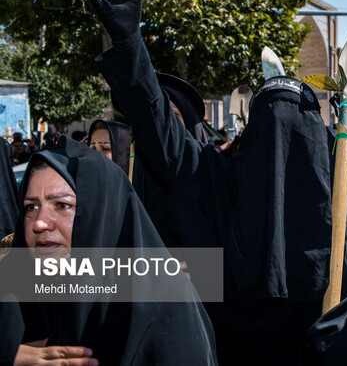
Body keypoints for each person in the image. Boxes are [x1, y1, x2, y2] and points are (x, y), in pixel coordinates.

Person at [84, 0, 347, 364]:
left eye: (295, 129)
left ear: (318, 134)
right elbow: (157, 125)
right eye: (268, 127)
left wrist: (344, 335)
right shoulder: (216, 177)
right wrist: (129, 44)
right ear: (250, 135)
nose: (281, 144)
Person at [6, 137, 217, 365]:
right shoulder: (14, 293)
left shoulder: (165, 305)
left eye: (62, 205)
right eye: (31, 207)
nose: (40, 223)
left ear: (102, 213)